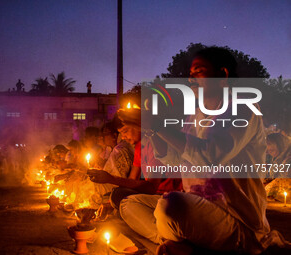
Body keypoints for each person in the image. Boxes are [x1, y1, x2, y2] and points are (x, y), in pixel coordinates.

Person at [118, 47, 288, 254]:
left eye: (198, 71)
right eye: (190, 75)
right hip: (199, 207)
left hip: (235, 216)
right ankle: (182, 245)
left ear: (222, 74)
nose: (191, 79)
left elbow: (209, 156)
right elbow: (176, 161)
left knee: (170, 205)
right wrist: (151, 131)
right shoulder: (195, 115)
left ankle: (182, 244)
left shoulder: (244, 108)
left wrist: (157, 126)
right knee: (131, 204)